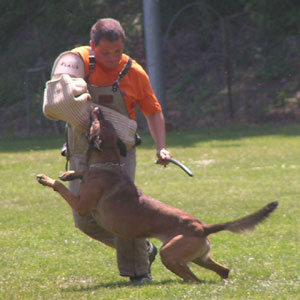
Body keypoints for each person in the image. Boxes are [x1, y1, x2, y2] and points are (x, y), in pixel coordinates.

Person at [43, 18, 172, 284]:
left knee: (122, 211)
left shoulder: (134, 73)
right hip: (81, 149)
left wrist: (162, 148)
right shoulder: (76, 60)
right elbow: (58, 96)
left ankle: (139, 272)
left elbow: (154, 112)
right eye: (105, 52)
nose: (113, 58)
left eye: (118, 51)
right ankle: (144, 250)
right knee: (84, 218)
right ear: (92, 46)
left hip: (119, 153)